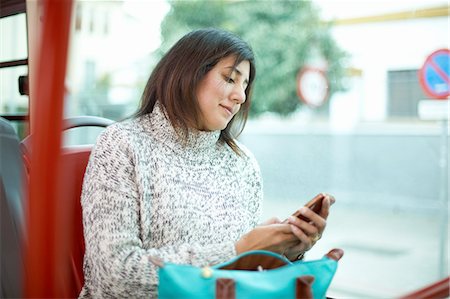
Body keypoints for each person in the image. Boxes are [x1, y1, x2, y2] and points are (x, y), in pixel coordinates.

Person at [79, 28, 332, 298]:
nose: (241, 96)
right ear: (188, 74)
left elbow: (243, 277)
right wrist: (238, 251)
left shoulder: (242, 164)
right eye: (230, 79)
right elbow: (115, 275)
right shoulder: (122, 144)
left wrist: (283, 252)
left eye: (245, 86)